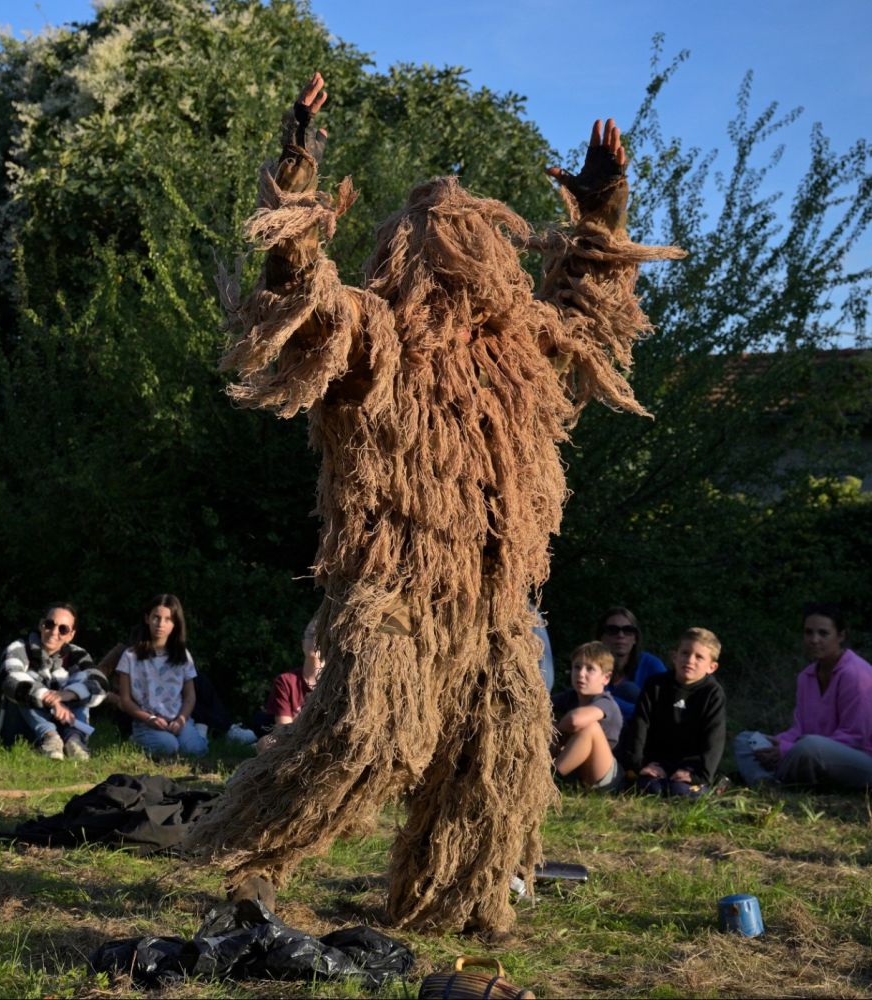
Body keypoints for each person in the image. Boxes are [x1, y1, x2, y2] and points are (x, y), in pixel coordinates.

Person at [184, 68, 683, 934]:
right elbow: (297, 293)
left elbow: (590, 305)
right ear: (403, 255)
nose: (457, 260)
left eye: (471, 242)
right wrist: (297, 164)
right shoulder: (373, 335)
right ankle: (254, 859)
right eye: (437, 243)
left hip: (494, 601)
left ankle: (456, 897)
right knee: (367, 735)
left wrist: (600, 210)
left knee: (497, 757)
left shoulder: (521, 347)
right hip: (393, 591)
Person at [732, 605, 872, 790]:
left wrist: (787, 749)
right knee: (745, 739)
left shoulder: (856, 674)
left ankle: (777, 777)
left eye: (823, 633)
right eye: (808, 632)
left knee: (810, 746)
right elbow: (799, 729)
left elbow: (855, 737)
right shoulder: (806, 677)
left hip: (860, 759)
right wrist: (778, 743)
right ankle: (766, 784)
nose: (814, 640)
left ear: (841, 636)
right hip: (811, 751)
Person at [0, 602, 108, 760]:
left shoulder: (78, 654)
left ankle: (74, 740)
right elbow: (9, 679)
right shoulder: (19, 648)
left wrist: (69, 694)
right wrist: (52, 700)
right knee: (25, 684)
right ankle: (50, 737)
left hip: (63, 725)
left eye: (63, 629)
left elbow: (100, 684)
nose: (54, 632)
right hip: (19, 729)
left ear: (71, 635)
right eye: (49, 624)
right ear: (41, 625)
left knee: (83, 682)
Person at [626, 627, 728, 797]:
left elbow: (714, 738)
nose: (690, 660)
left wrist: (699, 775)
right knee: (651, 789)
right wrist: (639, 764)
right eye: (685, 653)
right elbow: (640, 724)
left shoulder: (713, 693)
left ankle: (714, 783)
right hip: (657, 760)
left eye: (699, 657)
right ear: (674, 656)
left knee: (681, 792)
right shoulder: (655, 685)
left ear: (712, 667)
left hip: (691, 765)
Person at [114, 594, 208, 758]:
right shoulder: (130, 656)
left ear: (175, 624)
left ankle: (198, 733)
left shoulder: (183, 655)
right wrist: (149, 719)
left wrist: (181, 719)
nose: (160, 624)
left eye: (168, 619)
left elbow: (190, 696)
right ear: (147, 619)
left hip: (178, 719)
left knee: (195, 751)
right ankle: (136, 740)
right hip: (146, 721)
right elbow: (126, 700)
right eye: (156, 618)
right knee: (168, 747)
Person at [552, 642, 624, 793]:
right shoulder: (569, 697)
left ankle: (549, 780)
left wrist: (555, 731)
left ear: (606, 678)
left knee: (590, 727)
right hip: (577, 772)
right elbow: (539, 708)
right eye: (577, 667)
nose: (581, 673)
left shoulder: (606, 702)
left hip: (604, 775)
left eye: (590, 669)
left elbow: (575, 720)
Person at [254, 618, 322, 752]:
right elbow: (284, 728)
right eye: (310, 635)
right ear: (303, 643)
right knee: (266, 743)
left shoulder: (335, 684)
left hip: (322, 741)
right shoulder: (286, 681)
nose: (314, 640)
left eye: (320, 636)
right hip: (294, 741)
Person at [595, 607, 669, 720]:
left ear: (635, 638)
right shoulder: (590, 667)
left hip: (644, 727)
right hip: (603, 727)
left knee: (629, 690)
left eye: (628, 630)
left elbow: (665, 706)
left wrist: (607, 702)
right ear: (601, 637)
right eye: (612, 630)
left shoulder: (650, 664)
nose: (620, 635)